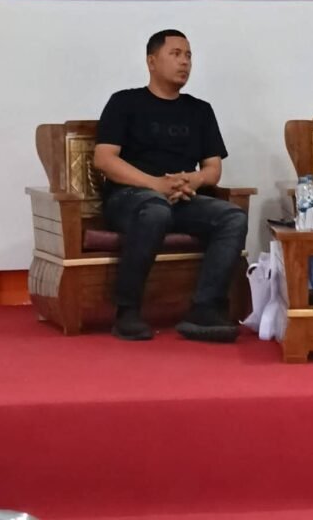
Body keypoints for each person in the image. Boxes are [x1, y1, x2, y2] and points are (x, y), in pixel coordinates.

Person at [94, 29, 248, 342]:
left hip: (182, 197)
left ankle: (205, 308)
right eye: (175, 54)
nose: (184, 62)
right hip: (130, 198)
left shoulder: (200, 110)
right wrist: (155, 185)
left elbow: (213, 169)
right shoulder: (125, 102)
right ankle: (127, 310)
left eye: (188, 55)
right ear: (152, 61)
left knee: (233, 217)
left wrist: (193, 179)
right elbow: (104, 159)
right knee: (155, 211)